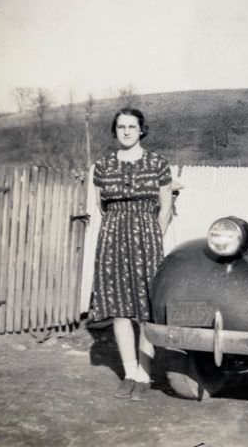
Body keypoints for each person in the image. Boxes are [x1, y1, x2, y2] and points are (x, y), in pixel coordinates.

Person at [91, 108, 173, 401]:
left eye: (131, 126)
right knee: (119, 307)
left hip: (146, 238)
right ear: (115, 131)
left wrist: (154, 235)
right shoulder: (103, 165)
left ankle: (144, 372)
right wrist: (118, 229)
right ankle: (128, 371)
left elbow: (165, 207)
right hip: (112, 238)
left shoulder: (158, 163)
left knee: (146, 307)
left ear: (142, 130)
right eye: (121, 127)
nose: (126, 131)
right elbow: (103, 207)